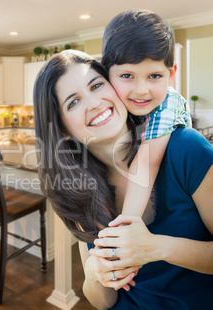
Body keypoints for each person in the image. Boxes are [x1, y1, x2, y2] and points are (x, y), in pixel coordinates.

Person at [33, 49, 213, 309]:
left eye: (97, 85)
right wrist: (95, 276)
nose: (94, 103)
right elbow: (104, 301)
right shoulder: (78, 187)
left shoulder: (185, 148)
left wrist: (157, 247)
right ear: (62, 128)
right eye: (73, 102)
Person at [102, 9, 191, 219]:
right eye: (126, 75)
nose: (141, 90)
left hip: (179, 201)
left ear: (171, 75)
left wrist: (126, 225)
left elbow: (146, 164)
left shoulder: (168, 104)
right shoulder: (115, 107)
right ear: (106, 73)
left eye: (154, 75)